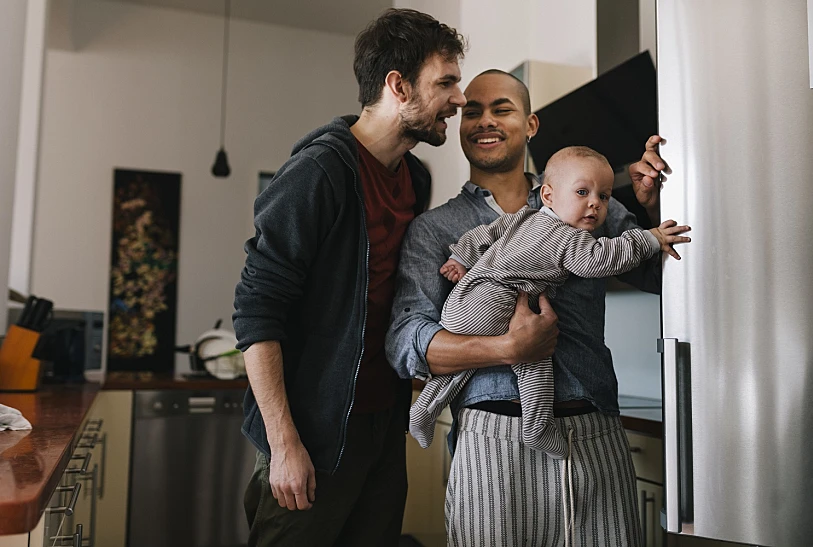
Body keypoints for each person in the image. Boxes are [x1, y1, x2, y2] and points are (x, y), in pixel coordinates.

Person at [386, 69, 673, 546]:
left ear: (531, 125)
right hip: (490, 438)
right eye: (471, 111)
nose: (484, 121)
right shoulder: (436, 229)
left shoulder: (590, 201)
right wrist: (506, 348)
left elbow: (661, 278)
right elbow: (405, 341)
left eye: (502, 109)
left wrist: (650, 208)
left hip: (594, 432)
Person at [231, 9, 470, 546]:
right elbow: (255, 313)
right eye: (446, 82)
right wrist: (285, 443)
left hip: (383, 425)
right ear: (398, 86)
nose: (459, 98)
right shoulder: (319, 172)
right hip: (313, 432)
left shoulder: (415, 177)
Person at [408, 146, 690, 457]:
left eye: (604, 197)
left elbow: (484, 233)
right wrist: (649, 238)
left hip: (464, 302)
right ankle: (537, 426)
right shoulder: (570, 239)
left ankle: (424, 410)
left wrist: (462, 257)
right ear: (548, 196)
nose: (594, 203)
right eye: (582, 192)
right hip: (498, 302)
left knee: (460, 370)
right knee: (534, 354)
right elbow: (601, 260)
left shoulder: (522, 218)